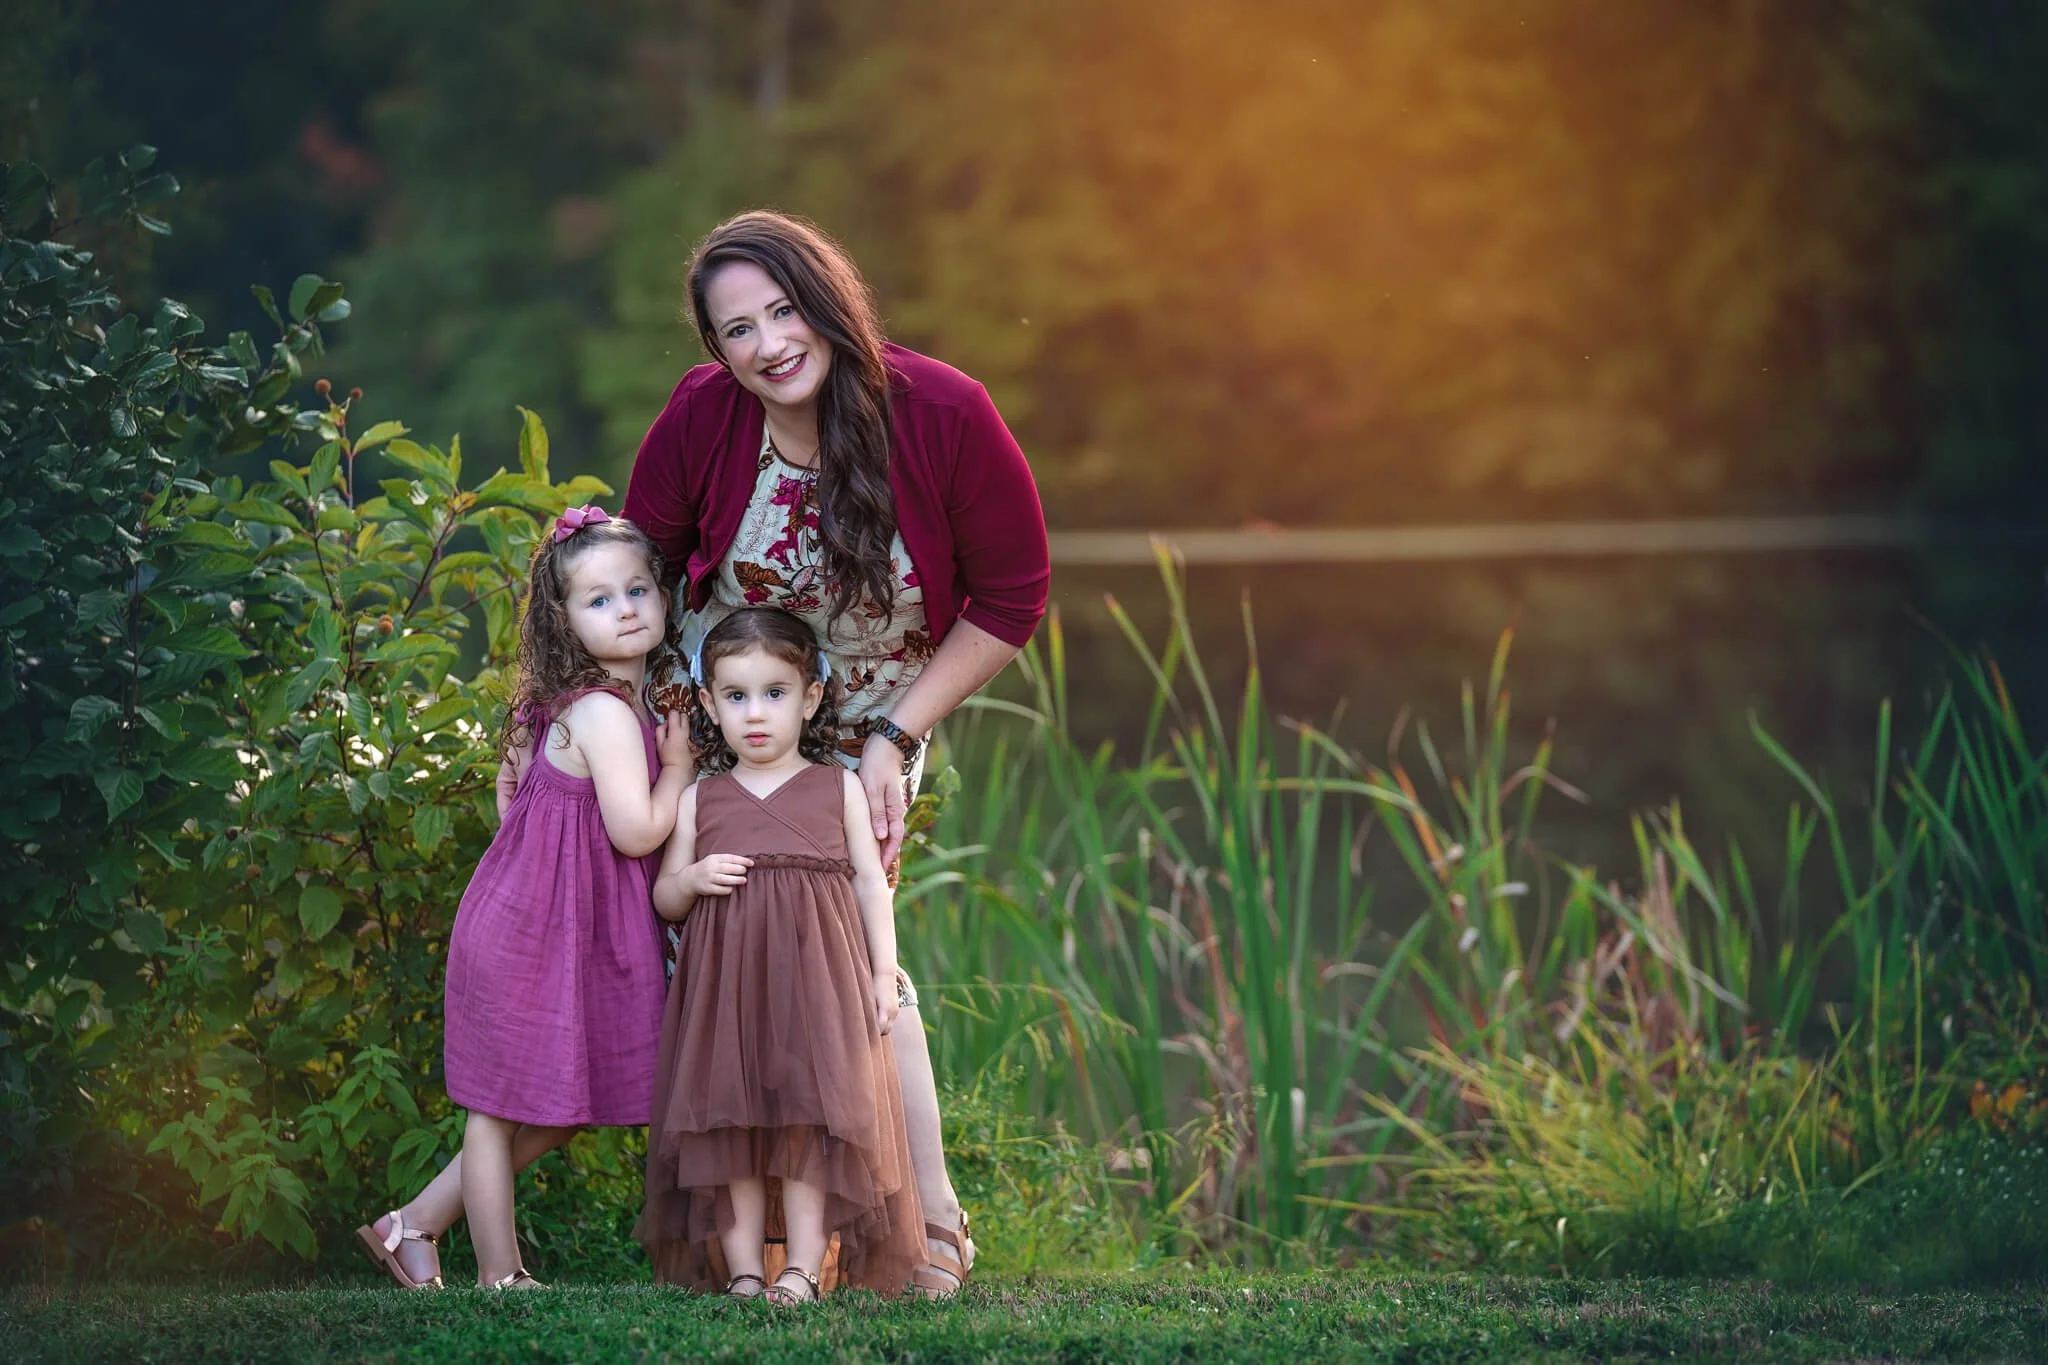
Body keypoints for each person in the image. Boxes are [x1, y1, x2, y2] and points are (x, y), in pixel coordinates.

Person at [623, 208, 1050, 1294]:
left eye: (782, 311)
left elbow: (1011, 596)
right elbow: (643, 569)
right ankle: (765, 1235)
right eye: (734, 330)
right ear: (711, 350)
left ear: (828, 301)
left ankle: (923, 1223)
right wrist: (611, 724)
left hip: (869, 722)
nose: (766, 344)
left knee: (859, 961)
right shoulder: (702, 418)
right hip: (728, 708)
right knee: (717, 956)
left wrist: (893, 737)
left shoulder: (945, 412)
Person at [356, 507, 688, 1290]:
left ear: (664, 597)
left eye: (638, 588)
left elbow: (519, 802)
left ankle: (412, 1225)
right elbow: (636, 832)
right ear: (564, 619)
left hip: (547, 921)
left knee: (561, 1107)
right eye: (599, 599)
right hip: (531, 930)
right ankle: (500, 1276)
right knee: (502, 1105)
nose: (627, 608)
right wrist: (676, 770)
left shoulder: (582, 698)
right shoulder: (606, 711)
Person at [637, 608, 923, 1302]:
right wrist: (694, 878)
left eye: (775, 693)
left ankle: (799, 1266)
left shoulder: (840, 787)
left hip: (818, 988)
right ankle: (740, 1270)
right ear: (708, 703)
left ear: (811, 697)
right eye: (735, 697)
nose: (755, 713)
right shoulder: (703, 796)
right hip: (727, 996)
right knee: (727, 1130)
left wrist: (882, 972)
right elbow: (667, 895)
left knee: (806, 1127)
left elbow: (868, 882)